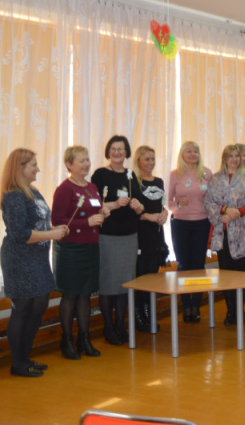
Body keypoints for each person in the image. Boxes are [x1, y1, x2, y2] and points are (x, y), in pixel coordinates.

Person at [0, 148, 69, 377]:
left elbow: (39, 225)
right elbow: (20, 234)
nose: (38, 169)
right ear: (20, 168)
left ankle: (26, 358)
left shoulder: (33, 192)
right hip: (19, 259)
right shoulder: (13, 196)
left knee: (38, 306)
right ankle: (17, 364)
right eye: (33, 165)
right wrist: (51, 235)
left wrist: (54, 229)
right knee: (23, 309)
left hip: (38, 257)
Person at [51, 146, 110, 360]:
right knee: (70, 294)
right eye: (81, 161)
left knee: (85, 294)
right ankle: (66, 341)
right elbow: (56, 222)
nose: (86, 164)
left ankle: (83, 339)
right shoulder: (65, 188)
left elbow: (96, 209)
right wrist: (87, 222)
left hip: (90, 247)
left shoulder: (92, 187)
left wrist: (103, 211)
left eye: (87, 159)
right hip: (70, 249)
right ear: (69, 164)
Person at [91, 136, 145, 345]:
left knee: (124, 284)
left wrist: (138, 206)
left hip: (129, 237)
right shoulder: (100, 174)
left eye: (121, 149)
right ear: (108, 152)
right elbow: (94, 204)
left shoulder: (131, 176)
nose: (117, 153)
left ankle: (120, 326)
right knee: (108, 284)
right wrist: (113, 204)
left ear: (126, 152)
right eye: (113, 149)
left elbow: (141, 208)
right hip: (108, 237)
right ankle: (108, 327)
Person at [205, 145, 245, 325]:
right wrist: (225, 210)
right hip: (224, 233)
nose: (235, 159)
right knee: (227, 274)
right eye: (231, 156)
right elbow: (209, 202)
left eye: (237, 156)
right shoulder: (215, 179)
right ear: (225, 158)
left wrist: (236, 212)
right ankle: (232, 311)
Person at [168, 141, 213, 323]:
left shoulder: (207, 173)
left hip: (202, 223)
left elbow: (213, 198)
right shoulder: (174, 174)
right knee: (183, 266)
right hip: (180, 224)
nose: (193, 154)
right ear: (182, 154)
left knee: (198, 265)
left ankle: (197, 305)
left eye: (196, 151)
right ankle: (186, 305)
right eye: (189, 151)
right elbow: (168, 201)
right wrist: (177, 205)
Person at [133, 145, 169, 333]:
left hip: (156, 235)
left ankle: (148, 313)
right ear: (138, 161)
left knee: (152, 277)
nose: (150, 163)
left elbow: (161, 204)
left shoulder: (159, 181)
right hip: (141, 236)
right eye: (146, 159)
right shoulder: (133, 182)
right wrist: (148, 216)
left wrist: (165, 213)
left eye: (153, 159)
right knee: (141, 277)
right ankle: (138, 316)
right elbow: (130, 212)